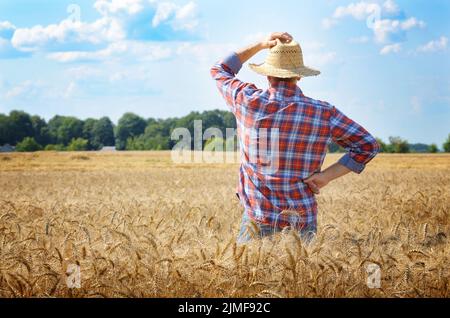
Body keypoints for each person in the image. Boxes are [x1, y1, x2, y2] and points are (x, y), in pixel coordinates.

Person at [210, 32, 380, 244]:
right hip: (302, 217)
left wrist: (261, 44)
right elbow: (367, 146)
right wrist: (326, 176)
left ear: (267, 74)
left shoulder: (247, 101)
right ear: (298, 75)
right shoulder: (324, 113)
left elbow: (219, 69)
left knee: (245, 274)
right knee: (302, 276)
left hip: (258, 215)